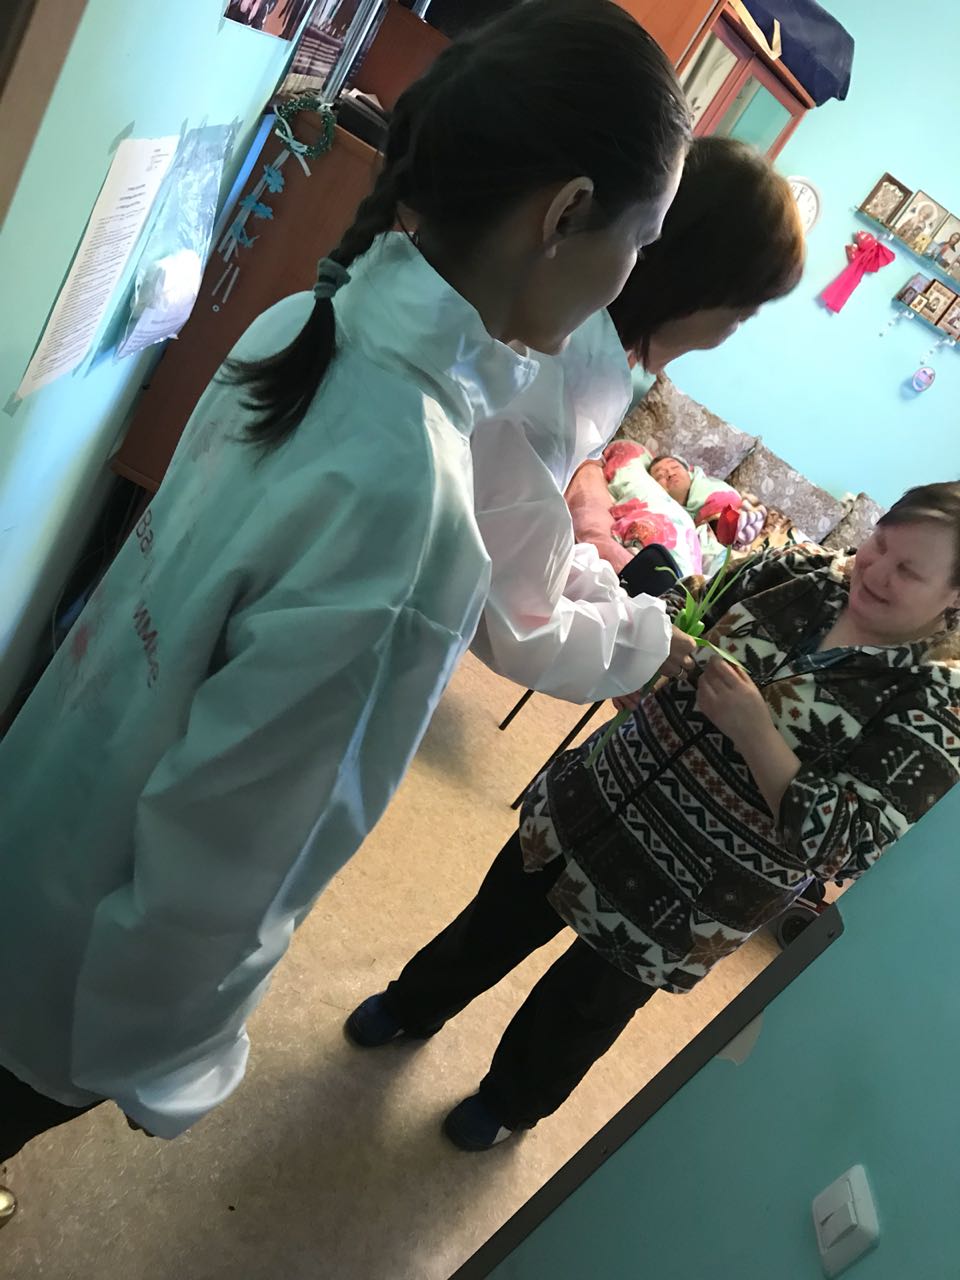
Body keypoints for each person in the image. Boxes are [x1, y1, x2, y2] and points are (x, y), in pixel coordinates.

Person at [0, 0, 692, 1163]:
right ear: (568, 211)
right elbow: (232, 864)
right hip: (67, 975)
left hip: (31, 830)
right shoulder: (412, 511)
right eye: (644, 238)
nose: (630, 276)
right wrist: (165, 1059)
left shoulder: (300, 320)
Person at [348, 483, 960, 1150]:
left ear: (954, 597)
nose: (874, 570)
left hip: (690, 893)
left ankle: (509, 1103)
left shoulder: (935, 706)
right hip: (593, 800)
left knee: (582, 1006)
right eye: (880, 543)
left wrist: (755, 732)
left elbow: (848, 846)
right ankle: (413, 1004)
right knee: (494, 918)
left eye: (908, 570)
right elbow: (676, 610)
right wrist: (643, 656)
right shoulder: (794, 572)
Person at [468, 136, 804, 705]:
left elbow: (528, 530)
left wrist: (623, 611)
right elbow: (514, 613)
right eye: (739, 316)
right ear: (699, 285)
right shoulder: (565, 371)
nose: (727, 336)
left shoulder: (588, 354)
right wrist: (640, 644)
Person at [649, 452, 742, 526]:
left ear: (688, 471)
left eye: (675, 467)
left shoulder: (708, 487)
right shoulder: (668, 515)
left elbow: (730, 501)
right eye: (660, 475)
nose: (670, 473)